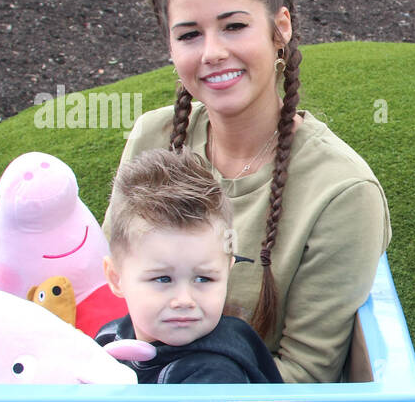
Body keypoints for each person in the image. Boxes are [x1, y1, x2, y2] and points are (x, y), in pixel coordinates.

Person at [102, 0, 391, 383]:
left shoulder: (343, 192)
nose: (212, 52)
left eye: (233, 26)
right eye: (189, 35)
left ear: (281, 29)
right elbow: (111, 287)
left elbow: (305, 375)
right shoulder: (153, 138)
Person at [96, 149, 283, 384]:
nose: (184, 300)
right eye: (163, 279)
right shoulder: (110, 339)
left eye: (203, 279)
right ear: (115, 277)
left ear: (228, 271)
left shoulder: (215, 377)